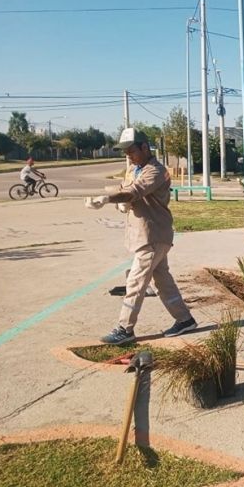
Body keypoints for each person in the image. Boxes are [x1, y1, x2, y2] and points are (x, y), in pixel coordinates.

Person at [85, 128, 197, 344]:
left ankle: (124, 329)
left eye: (131, 150)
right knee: (163, 280)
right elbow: (124, 189)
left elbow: (133, 192)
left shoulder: (156, 170)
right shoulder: (133, 168)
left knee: (136, 281)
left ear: (145, 147)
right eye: (125, 152)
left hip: (153, 234)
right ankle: (185, 319)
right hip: (144, 234)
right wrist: (117, 200)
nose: (128, 155)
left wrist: (108, 199)